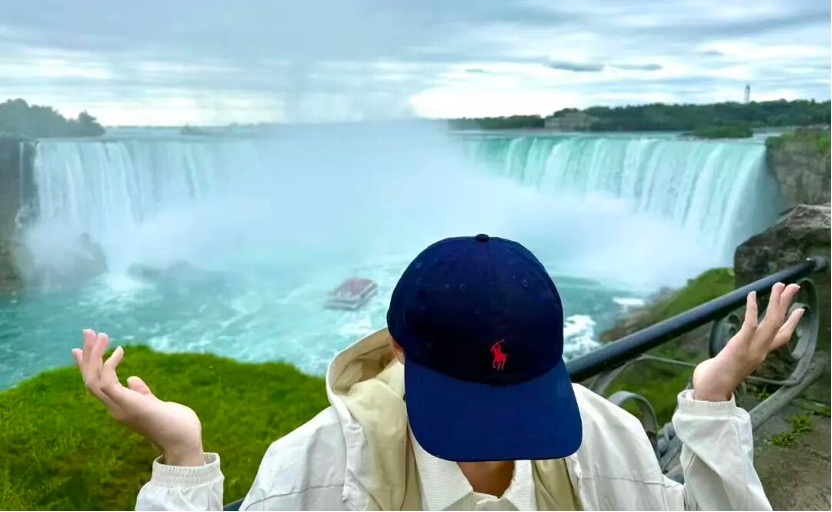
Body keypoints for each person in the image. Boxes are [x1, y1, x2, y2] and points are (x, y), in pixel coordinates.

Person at [74, 234, 803, 511]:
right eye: (470, 408)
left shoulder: (604, 440)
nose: (497, 444)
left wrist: (711, 400)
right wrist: (183, 461)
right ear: (395, 350)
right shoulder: (318, 468)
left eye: (516, 403)